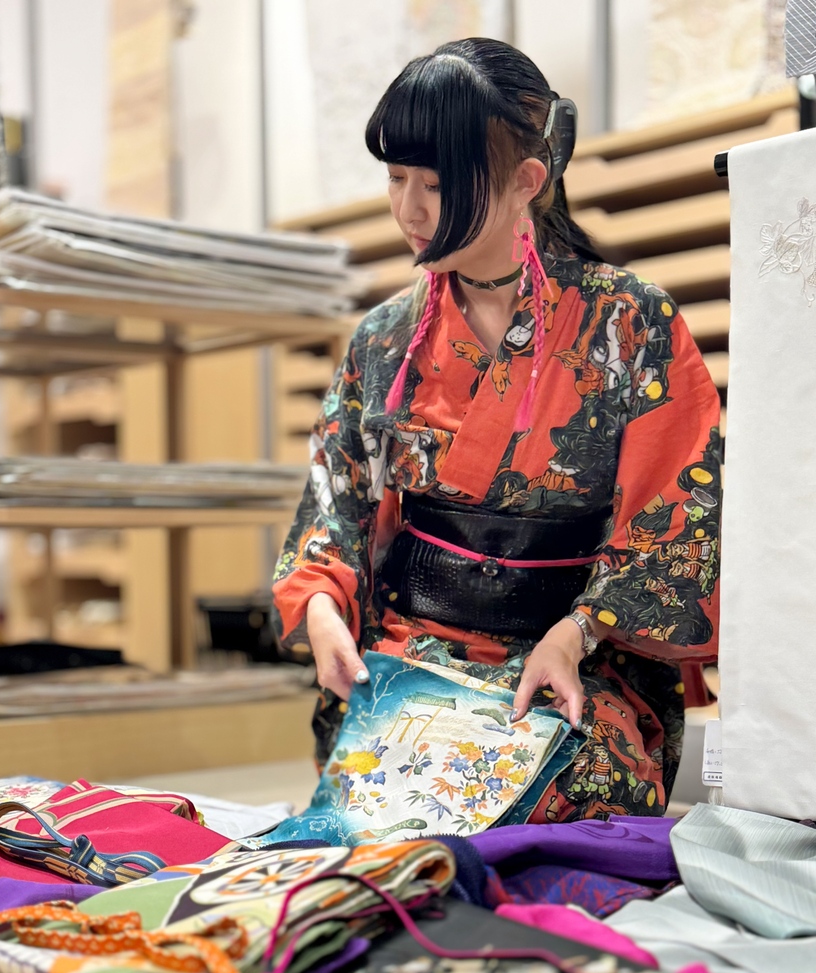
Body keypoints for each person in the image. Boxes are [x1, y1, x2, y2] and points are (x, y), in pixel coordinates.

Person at [272, 38, 720, 823]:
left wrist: (575, 635)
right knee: (384, 805)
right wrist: (321, 611)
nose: (410, 209)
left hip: (570, 657)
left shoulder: (631, 321)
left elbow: (677, 524)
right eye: (397, 178)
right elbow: (334, 507)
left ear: (527, 181)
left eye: (437, 184)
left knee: (562, 797)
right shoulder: (383, 337)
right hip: (412, 656)